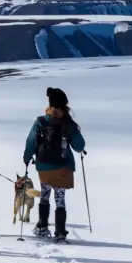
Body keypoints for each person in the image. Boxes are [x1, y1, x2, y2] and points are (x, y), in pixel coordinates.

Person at [23, 87, 86, 243]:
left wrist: (26, 157)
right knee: (60, 199)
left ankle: (42, 227)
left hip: (44, 167)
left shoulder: (41, 121)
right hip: (62, 167)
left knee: (44, 196)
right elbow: (79, 146)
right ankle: (59, 233)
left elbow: (31, 141)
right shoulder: (67, 124)